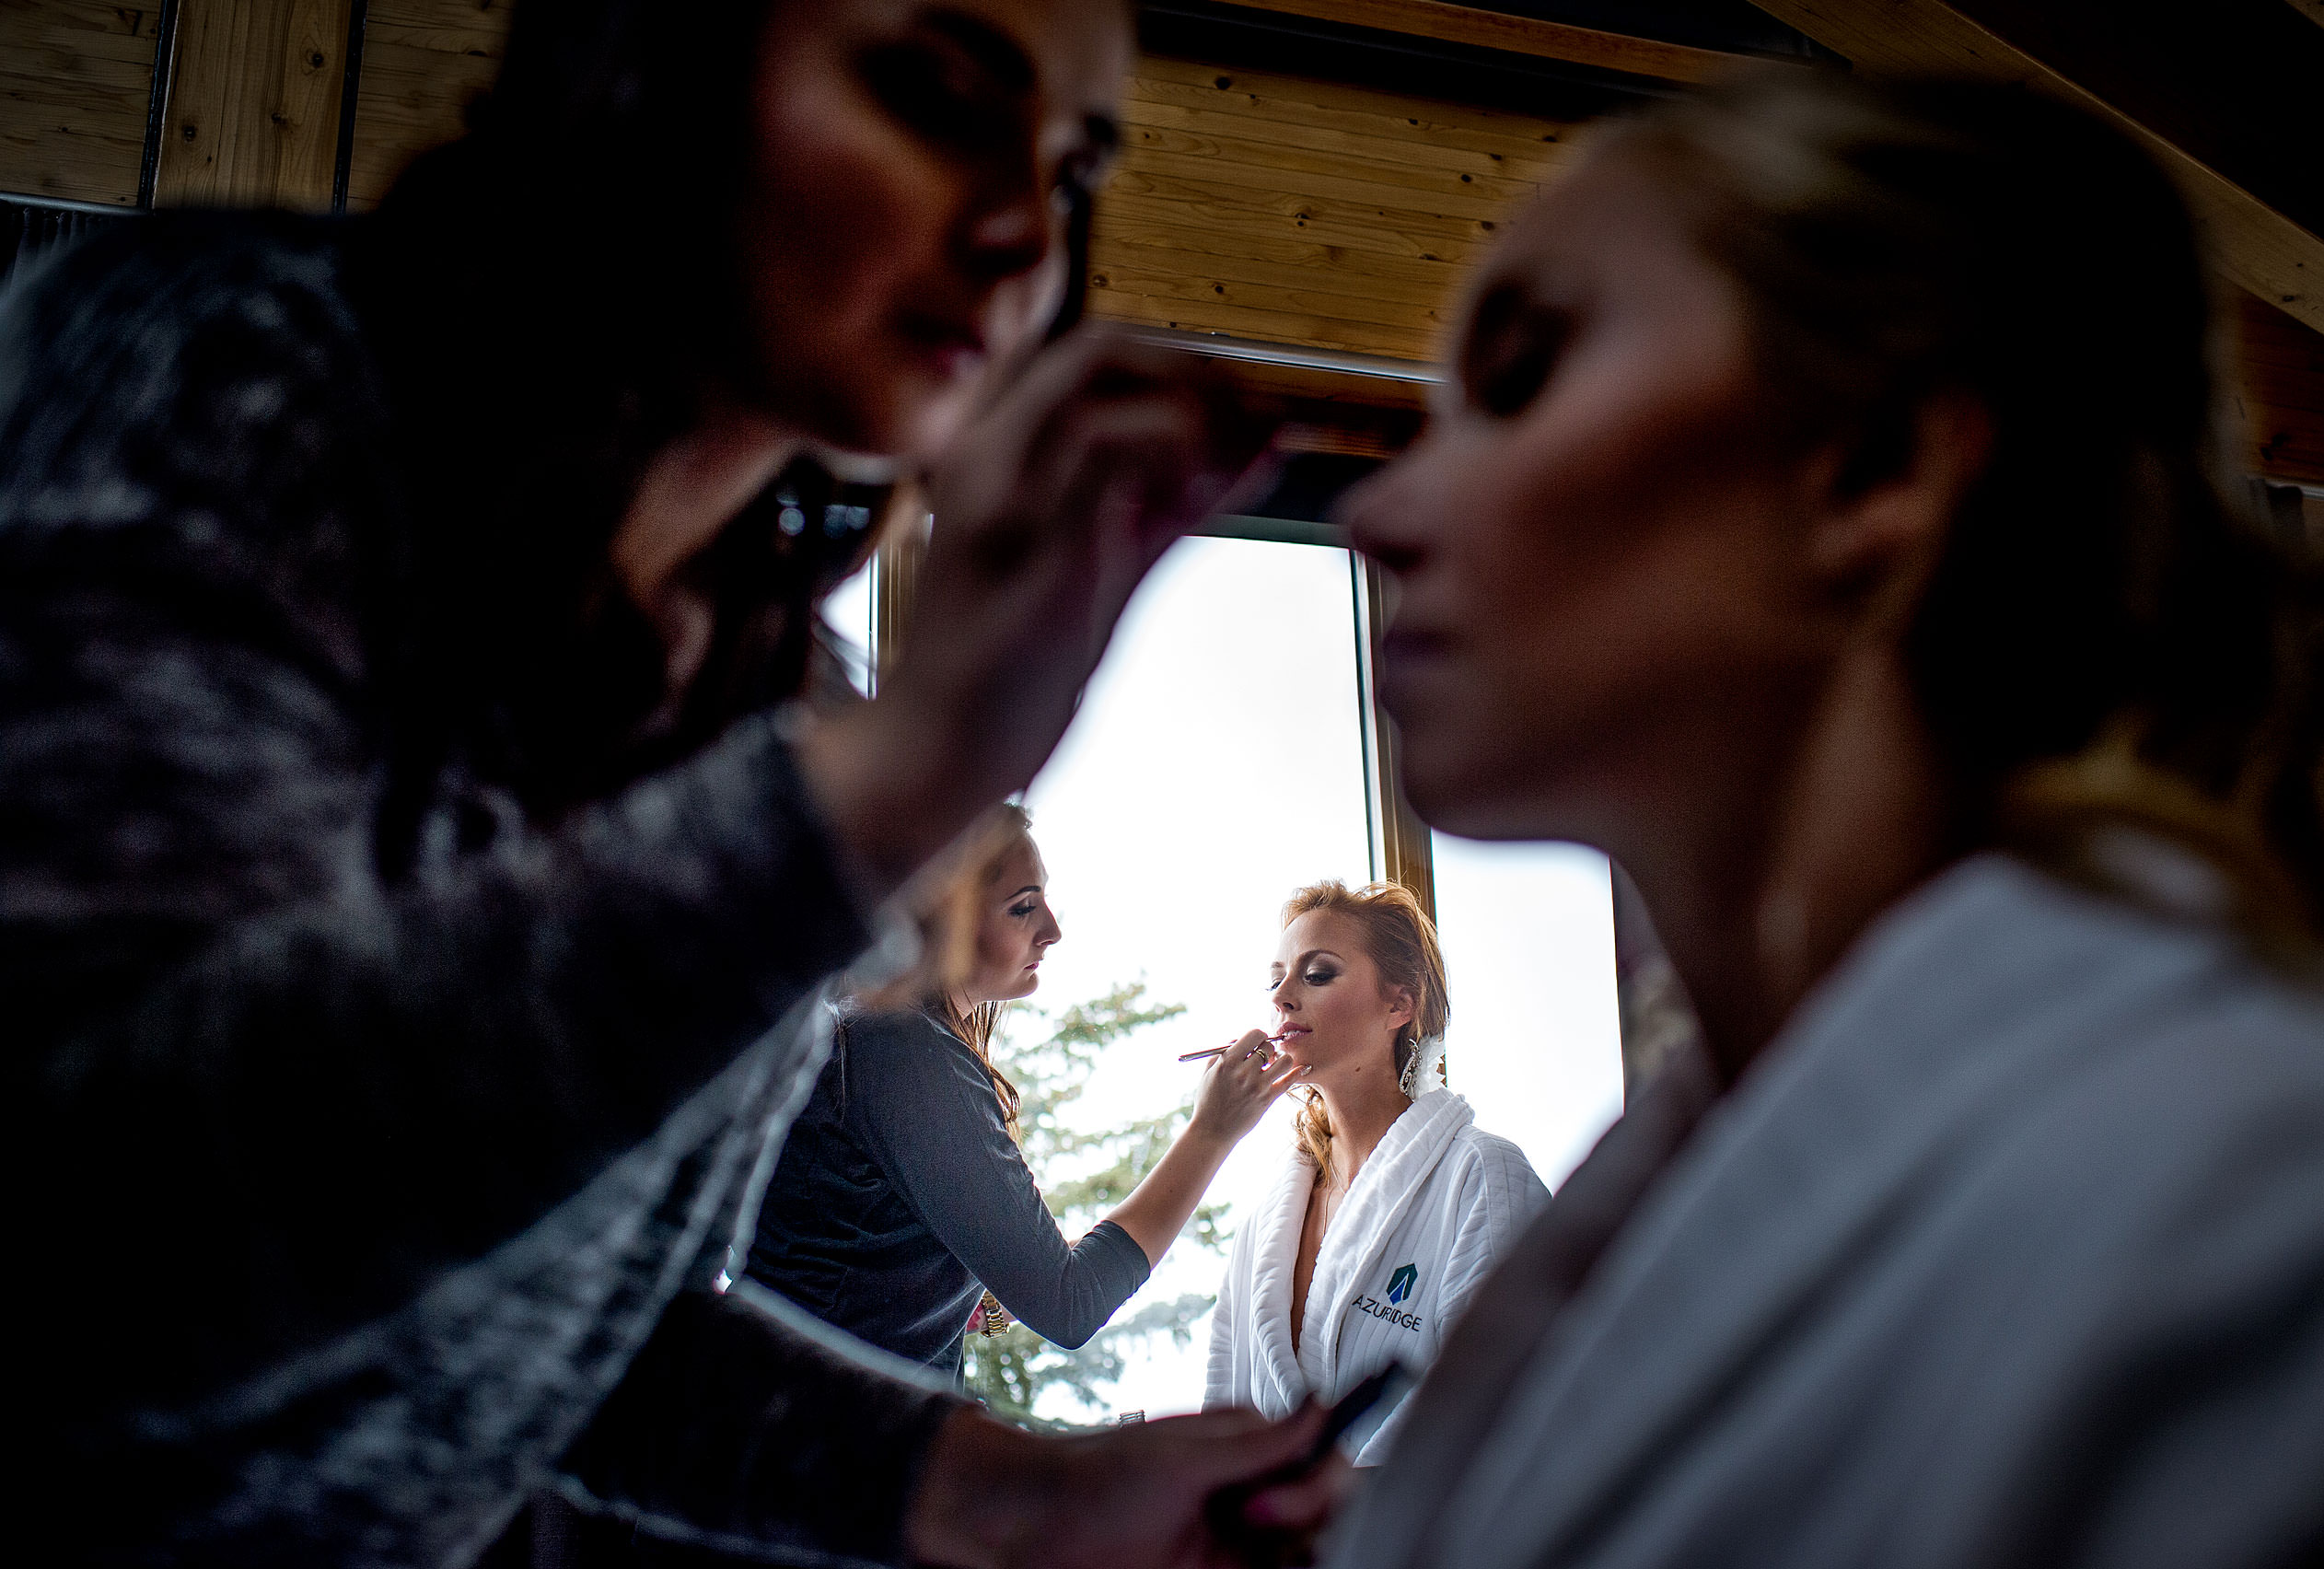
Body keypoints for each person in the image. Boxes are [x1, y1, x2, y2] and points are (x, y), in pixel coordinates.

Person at [0, 0, 1355, 1563]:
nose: (1017, 230)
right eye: (932, 93)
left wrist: (1004, 1489)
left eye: (1069, 170)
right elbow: (86, 1237)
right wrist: (890, 786)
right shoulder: (238, 367)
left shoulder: (755, 692)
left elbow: (533, 1336)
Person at [1322, 67, 2324, 1567]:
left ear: (1872, 472)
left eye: (1524, 376)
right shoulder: (1673, 1213)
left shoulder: (2261, 1231)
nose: (1374, 513)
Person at [745, 805, 1303, 1377]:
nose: (1053, 930)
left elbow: (834, 1253)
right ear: (945, 920)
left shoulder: (867, 1032)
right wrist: (1211, 1132)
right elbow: (1070, 1304)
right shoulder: (902, 1049)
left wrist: (954, 1279)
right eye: (1022, 908)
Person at [1203, 880, 1548, 1464]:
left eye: (1317, 975)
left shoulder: (1483, 1177)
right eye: (1276, 979)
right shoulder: (1264, 1229)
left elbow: (1501, 1413)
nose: (1282, 997)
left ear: (1399, 1004)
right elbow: (1222, 1430)